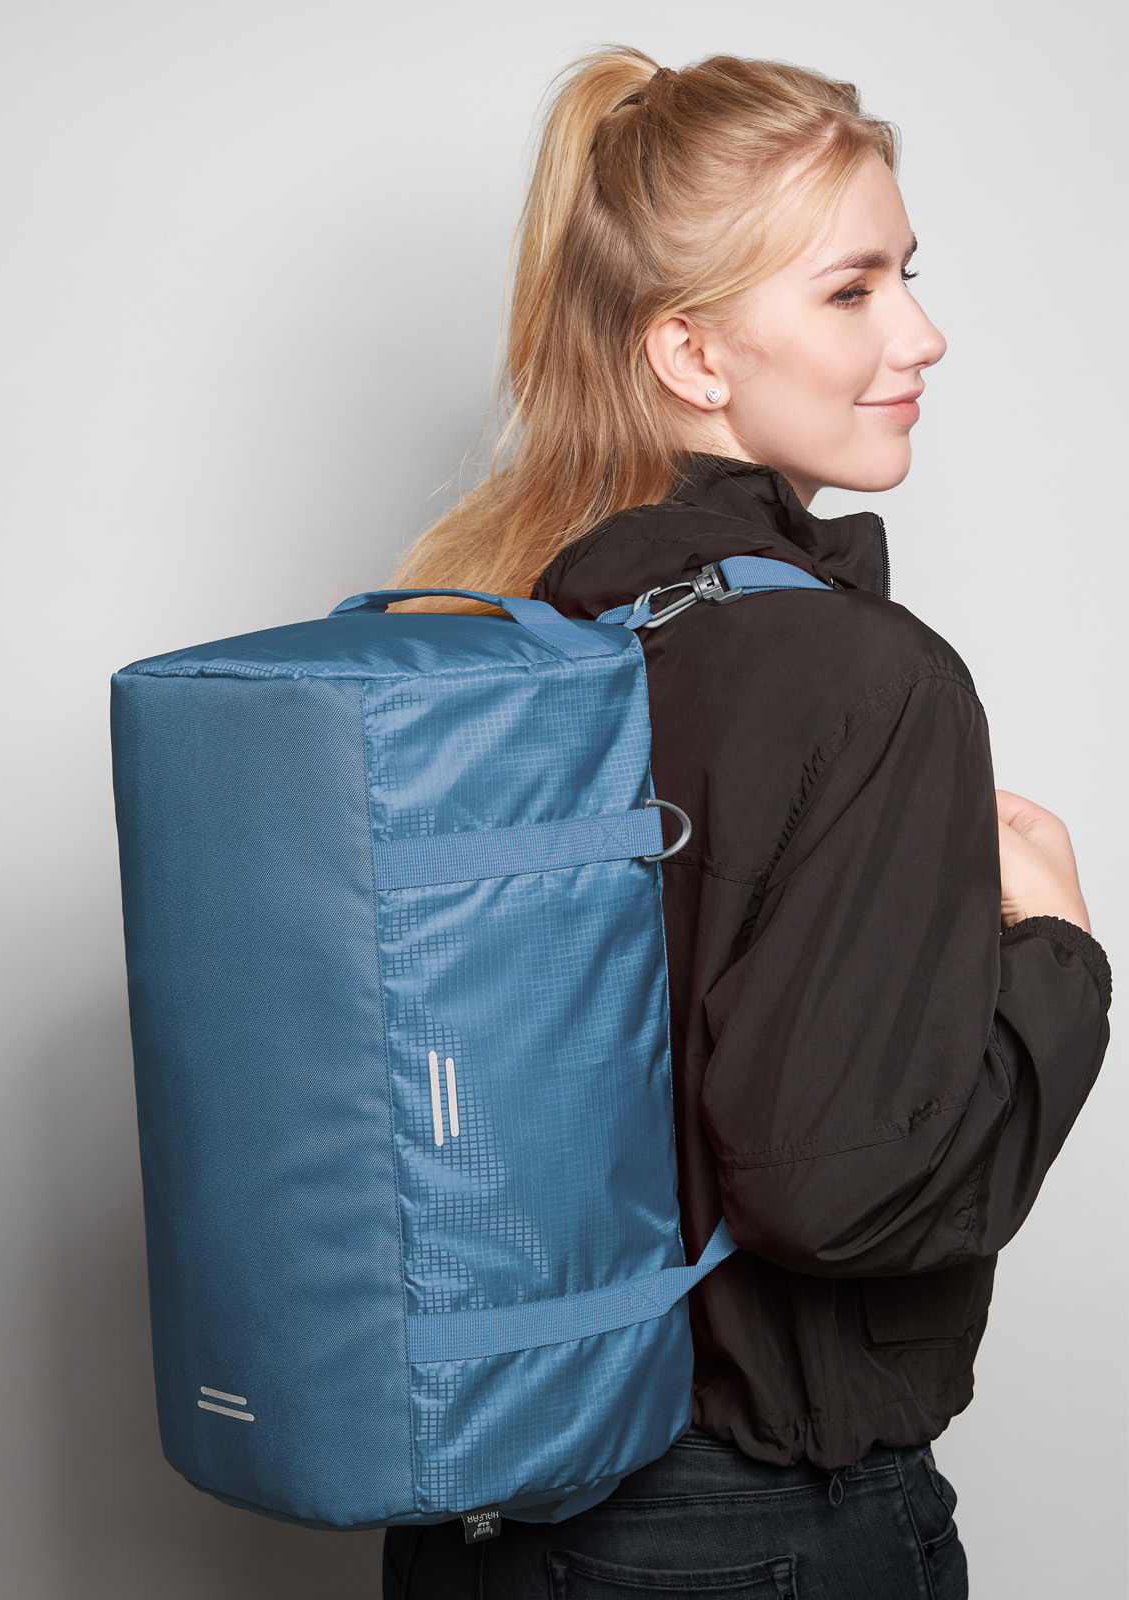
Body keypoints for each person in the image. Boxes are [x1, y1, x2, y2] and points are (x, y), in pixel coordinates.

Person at [380, 46, 1113, 1599]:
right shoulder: (865, 676)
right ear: (693, 353)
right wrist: (1056, 951)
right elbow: (835, 1189)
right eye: (851, 290)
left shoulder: (501, 624)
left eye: (907, 275)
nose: (920, 333)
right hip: (747, 1526)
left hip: (485, 1508)